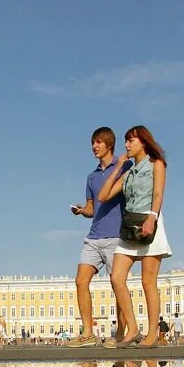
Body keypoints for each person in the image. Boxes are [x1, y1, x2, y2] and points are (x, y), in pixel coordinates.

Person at [99, 125, 171, 348]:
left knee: (148, 281)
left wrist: (152, 217)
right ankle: (133, 329)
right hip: (129, 228)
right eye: (126, 141)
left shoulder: (156, 164)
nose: (126, 145)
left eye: (131, 141)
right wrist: (119, 166)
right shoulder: (128, 172)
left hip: (149, 222)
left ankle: (152, 334)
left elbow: (158, 193)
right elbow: (103, 196)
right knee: (116, 277)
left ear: (143, 142)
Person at [68, 127, 128, 349]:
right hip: (94, 236)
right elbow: (93, 208)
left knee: (117, 284)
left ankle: (121, 333)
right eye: (93, 142)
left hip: (116, 236)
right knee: (80, 281)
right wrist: (82, 210)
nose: (94, 146)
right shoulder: (91, 177)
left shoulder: (124, 167)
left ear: (109, 144)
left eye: (99, 142)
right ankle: (88, 333)